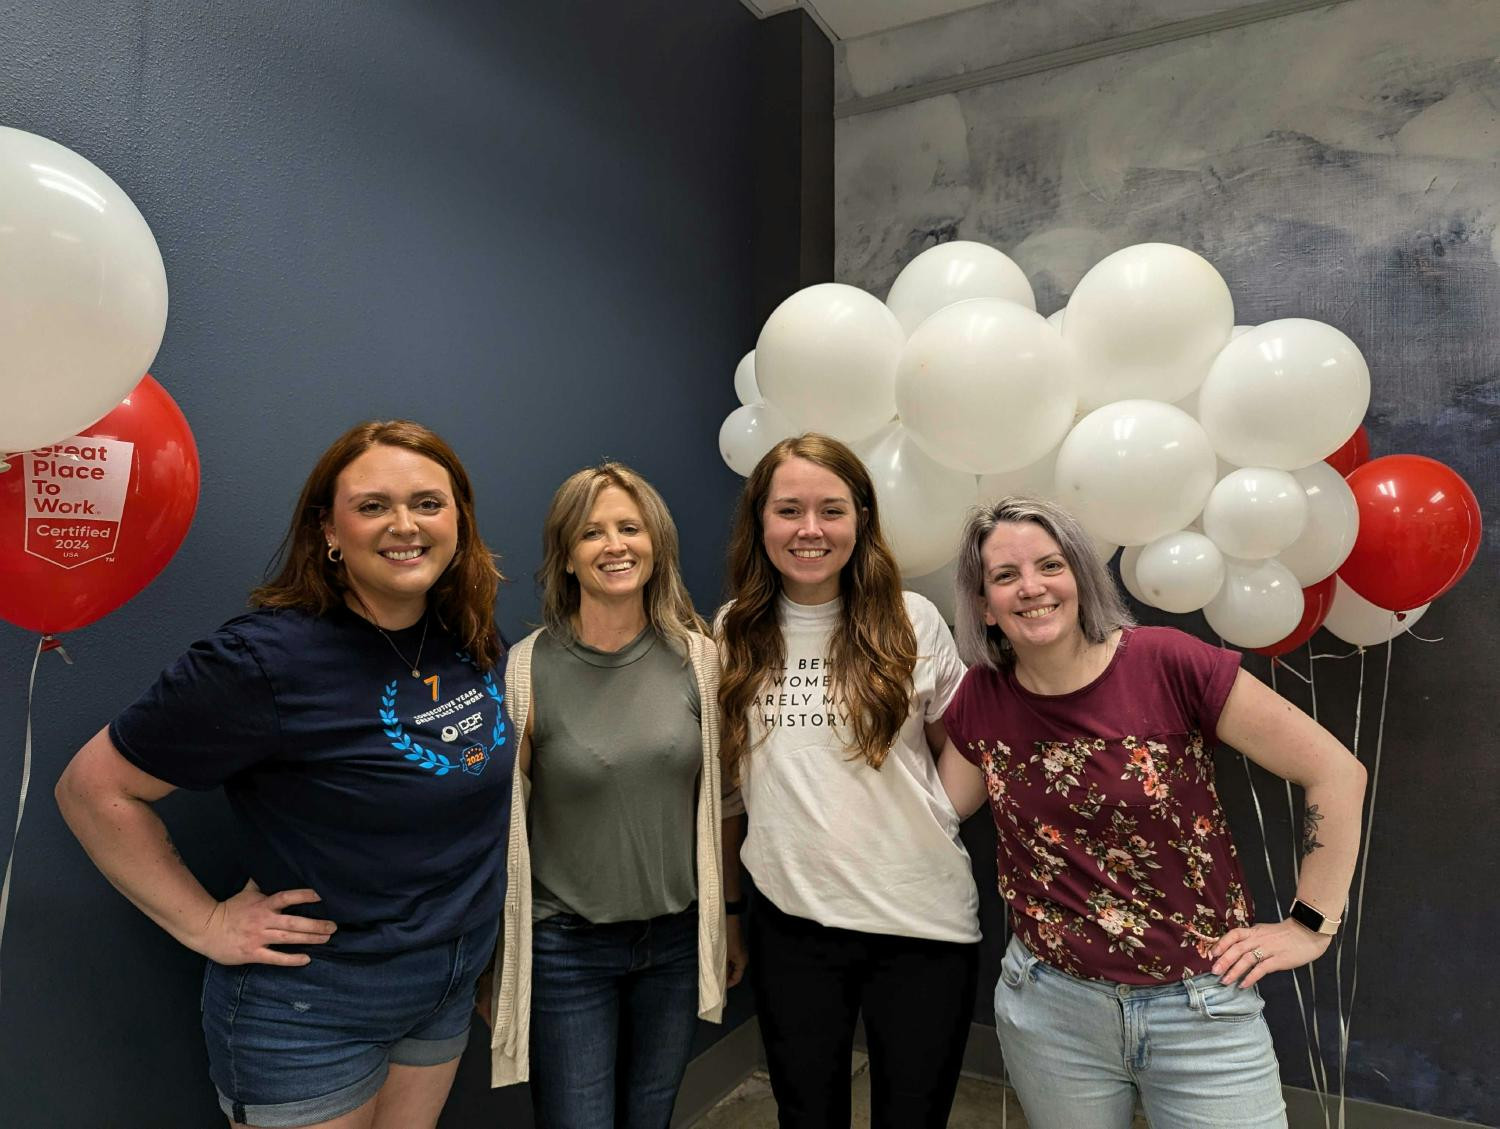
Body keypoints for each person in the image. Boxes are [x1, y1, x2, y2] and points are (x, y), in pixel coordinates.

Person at [55, 420, 513, 1129]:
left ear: (459, 520)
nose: (405, 524)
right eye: (372, 505)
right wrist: (206, 921)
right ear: (328, 529)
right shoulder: (263, 661)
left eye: (428, 502)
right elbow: (93, 789)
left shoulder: (469, 632)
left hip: (445, 982)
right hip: (313, 1005)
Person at [937, 496, 1368, 1129]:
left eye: (1050, 566)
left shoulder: (1166, 663)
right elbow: (937, 811)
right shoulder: (982, 696)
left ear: (1080, 575)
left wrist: (1309, 925)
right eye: (1004, 576)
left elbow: (1335, 772)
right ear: (982, 605)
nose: (1031, 588)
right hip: (1049, 1007)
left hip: (1199, 1008)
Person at [716, 434, 980, 1129]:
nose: (810, 529)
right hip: (792, 919)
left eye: (831, 509)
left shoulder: (912, 619)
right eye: (789, 510)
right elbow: (731, 788)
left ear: (861, 517)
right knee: (807, 1115)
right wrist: (733, 909)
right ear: (760, 521)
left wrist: (938, 816)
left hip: (920, 920)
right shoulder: (732, 633)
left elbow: (970, 745)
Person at [485, 462, 728, 1128]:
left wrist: (728, 917)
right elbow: (499, 821)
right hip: (567, 950)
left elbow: (721, 799)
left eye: (630, 526)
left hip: (674, 945)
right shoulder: (527, 669)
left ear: (657, 545)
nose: (615, 544)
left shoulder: (700, 659)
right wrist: (493, 959)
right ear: (566, 555)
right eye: (592, 532)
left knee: (650, 1116)